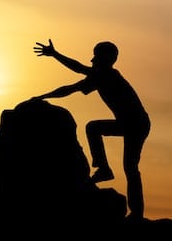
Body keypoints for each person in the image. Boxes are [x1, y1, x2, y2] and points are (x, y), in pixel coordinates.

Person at [30, 39, 151, 220]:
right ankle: (107, 173)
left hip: (137, 123)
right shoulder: (99, 77)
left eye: (96, 55)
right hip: (134, 123)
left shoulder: (109, 75)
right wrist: (43, 96)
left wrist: (55, 55)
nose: (92, 60)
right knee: (129, 166)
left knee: (126, 162)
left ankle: (106, 172)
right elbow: (70, 88)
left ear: (106, 59)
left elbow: (78, 69)